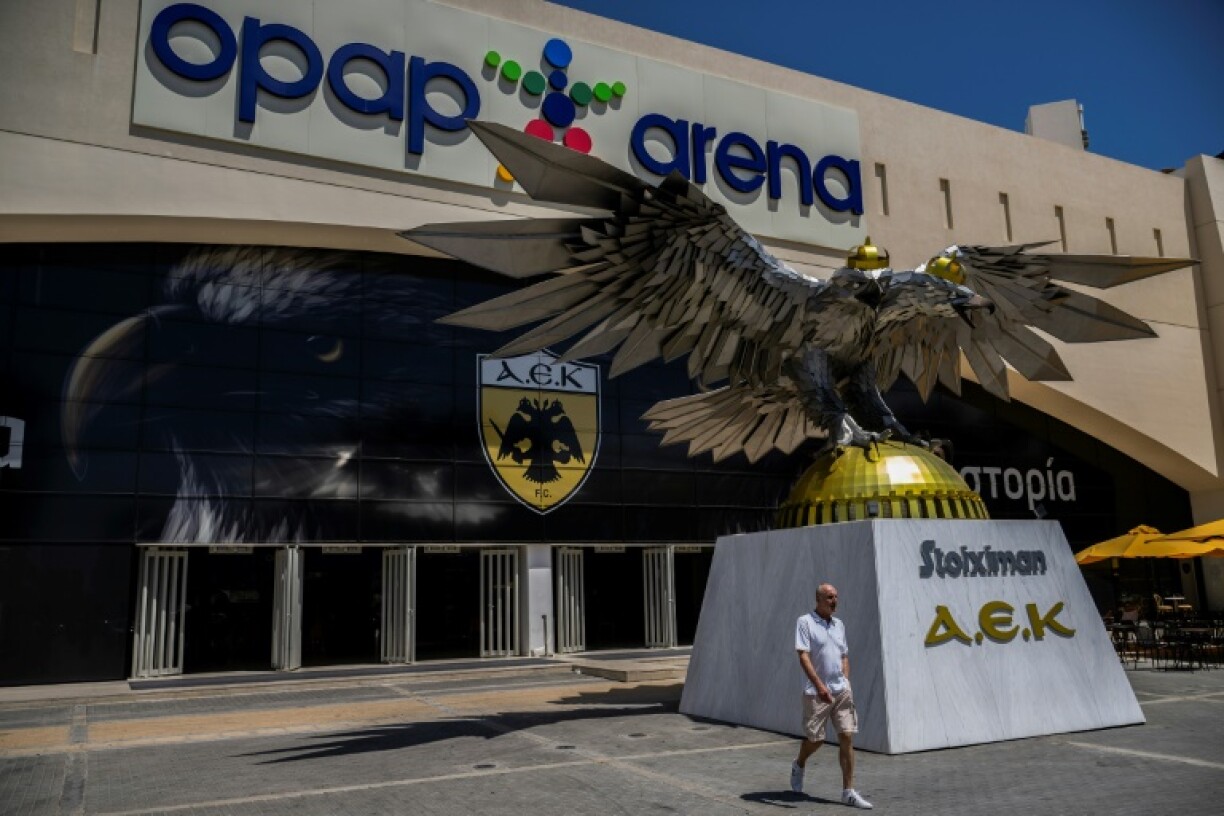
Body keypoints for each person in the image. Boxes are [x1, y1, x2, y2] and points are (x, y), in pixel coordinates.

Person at [790, 583, 873, 809]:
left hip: (841, 690)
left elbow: (844, 655)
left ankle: (848, 791)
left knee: (846, 736)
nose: (834, 601)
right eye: (829, 597)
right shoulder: (805, 622)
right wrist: (820, 686)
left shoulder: (839, 625)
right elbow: (803, 657)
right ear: (818, 599)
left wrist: (845, 680)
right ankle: (799, 763)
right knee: (815, 740)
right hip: (816, 693)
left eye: (836, 597)